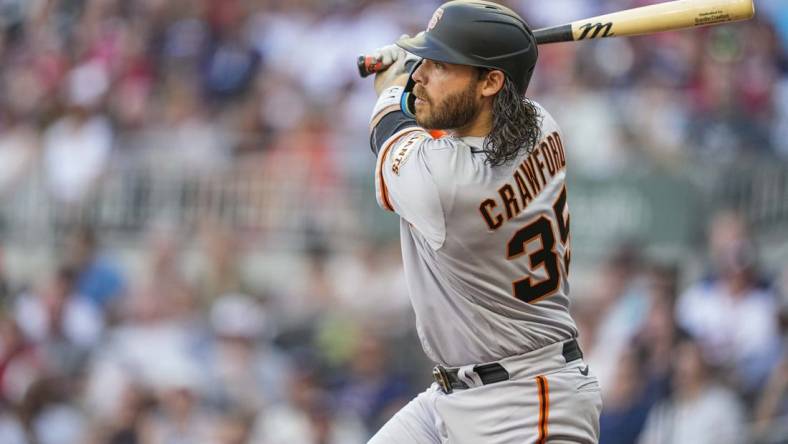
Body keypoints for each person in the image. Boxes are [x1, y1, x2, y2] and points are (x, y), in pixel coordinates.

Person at [365, 1, 601, 443]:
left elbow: (388, 128)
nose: (420, 75)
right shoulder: (541, 124)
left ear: (492, 81)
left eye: (438, 65)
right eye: (424, 63)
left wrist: (392, 82)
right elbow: (449, 122)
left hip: (528, 406)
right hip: (457, 394)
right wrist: (427, 68)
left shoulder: (442, 185)